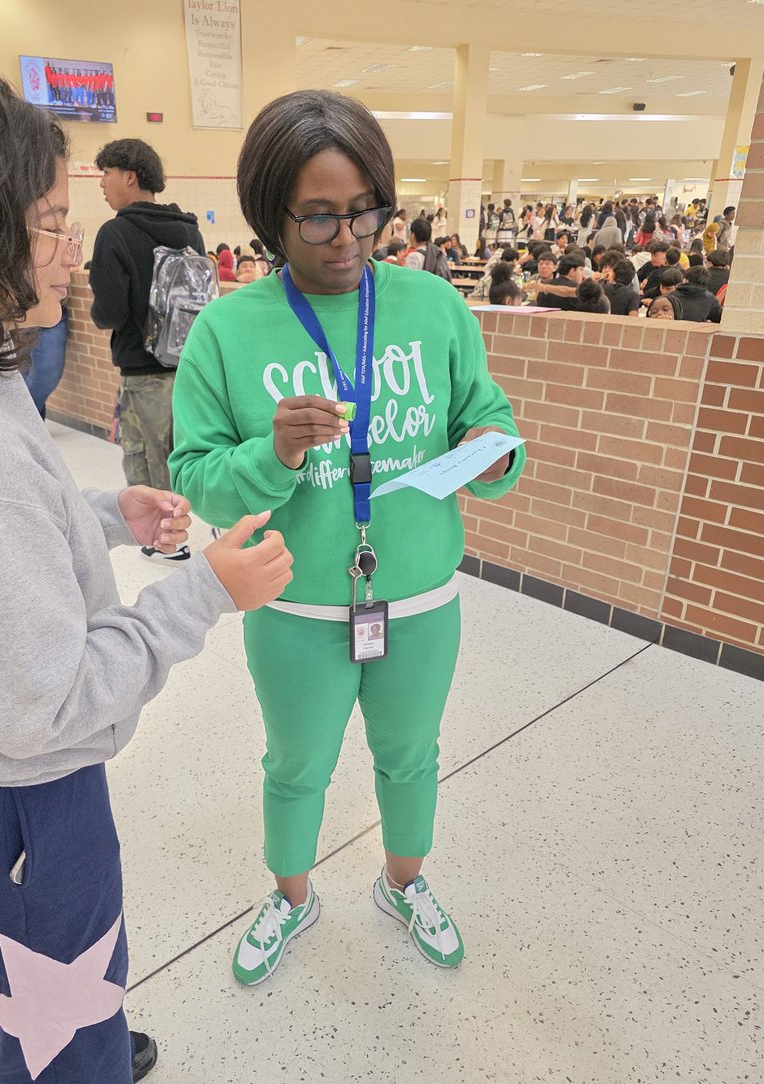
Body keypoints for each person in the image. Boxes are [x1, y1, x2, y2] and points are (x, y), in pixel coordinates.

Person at [0, 60, 293, 1084]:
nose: (69, 249)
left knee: (55, 979)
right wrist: (205, 590)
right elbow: (44, 702)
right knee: (44, 1026)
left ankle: (86, 1037)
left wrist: (104, 514)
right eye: (50, 225)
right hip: (5, 793)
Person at [169, 88, 526, 987]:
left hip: (420, 596)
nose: (349, 239)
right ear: (269, 216)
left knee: (411, 756)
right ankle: (290, 896)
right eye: (319, 217)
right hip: (293, 604)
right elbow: (197, 475)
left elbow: (487, 417)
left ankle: (404, 883)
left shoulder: (434, 308)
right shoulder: (227, 330)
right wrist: (274, 453)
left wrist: (493, 454)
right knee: (297, 765)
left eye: (366, 211)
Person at [89, 137, 205, 563]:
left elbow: (110, 312)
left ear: (129, 176)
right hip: (187, 365)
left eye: (106, 173)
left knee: (143, 453)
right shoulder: (190, 229)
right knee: (176, 451)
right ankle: (177, 532)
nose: (102, 184)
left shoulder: (115, 233)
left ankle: (168, 538)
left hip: (141, 368)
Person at [21, 299, 69, 418]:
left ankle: (28, 426)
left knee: (46, 376)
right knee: (21, 379)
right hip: (15, 315)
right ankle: (30, 427)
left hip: (50, 310)